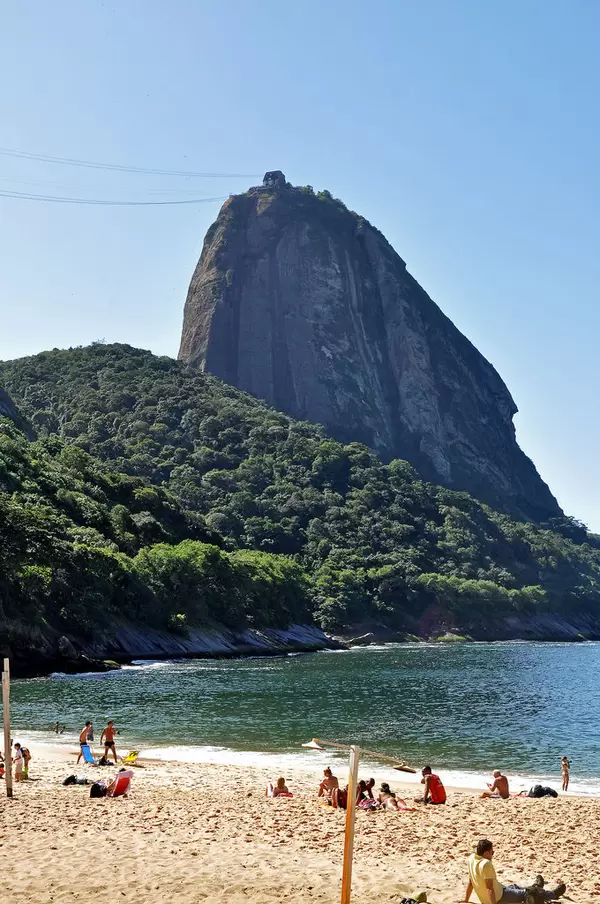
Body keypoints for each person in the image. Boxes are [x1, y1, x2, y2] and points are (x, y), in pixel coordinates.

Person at [465, 838, 566, 904]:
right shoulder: (486, 864)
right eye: (492, 852)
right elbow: (490, 888)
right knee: (529, 893)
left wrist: (466, 900)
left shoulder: (472, 859)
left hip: (499, 889)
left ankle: (537, 886)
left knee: (515, 887)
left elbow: (471, 882)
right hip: (499, 897)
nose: (492, 854)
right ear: (486, 853)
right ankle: (552, 894)